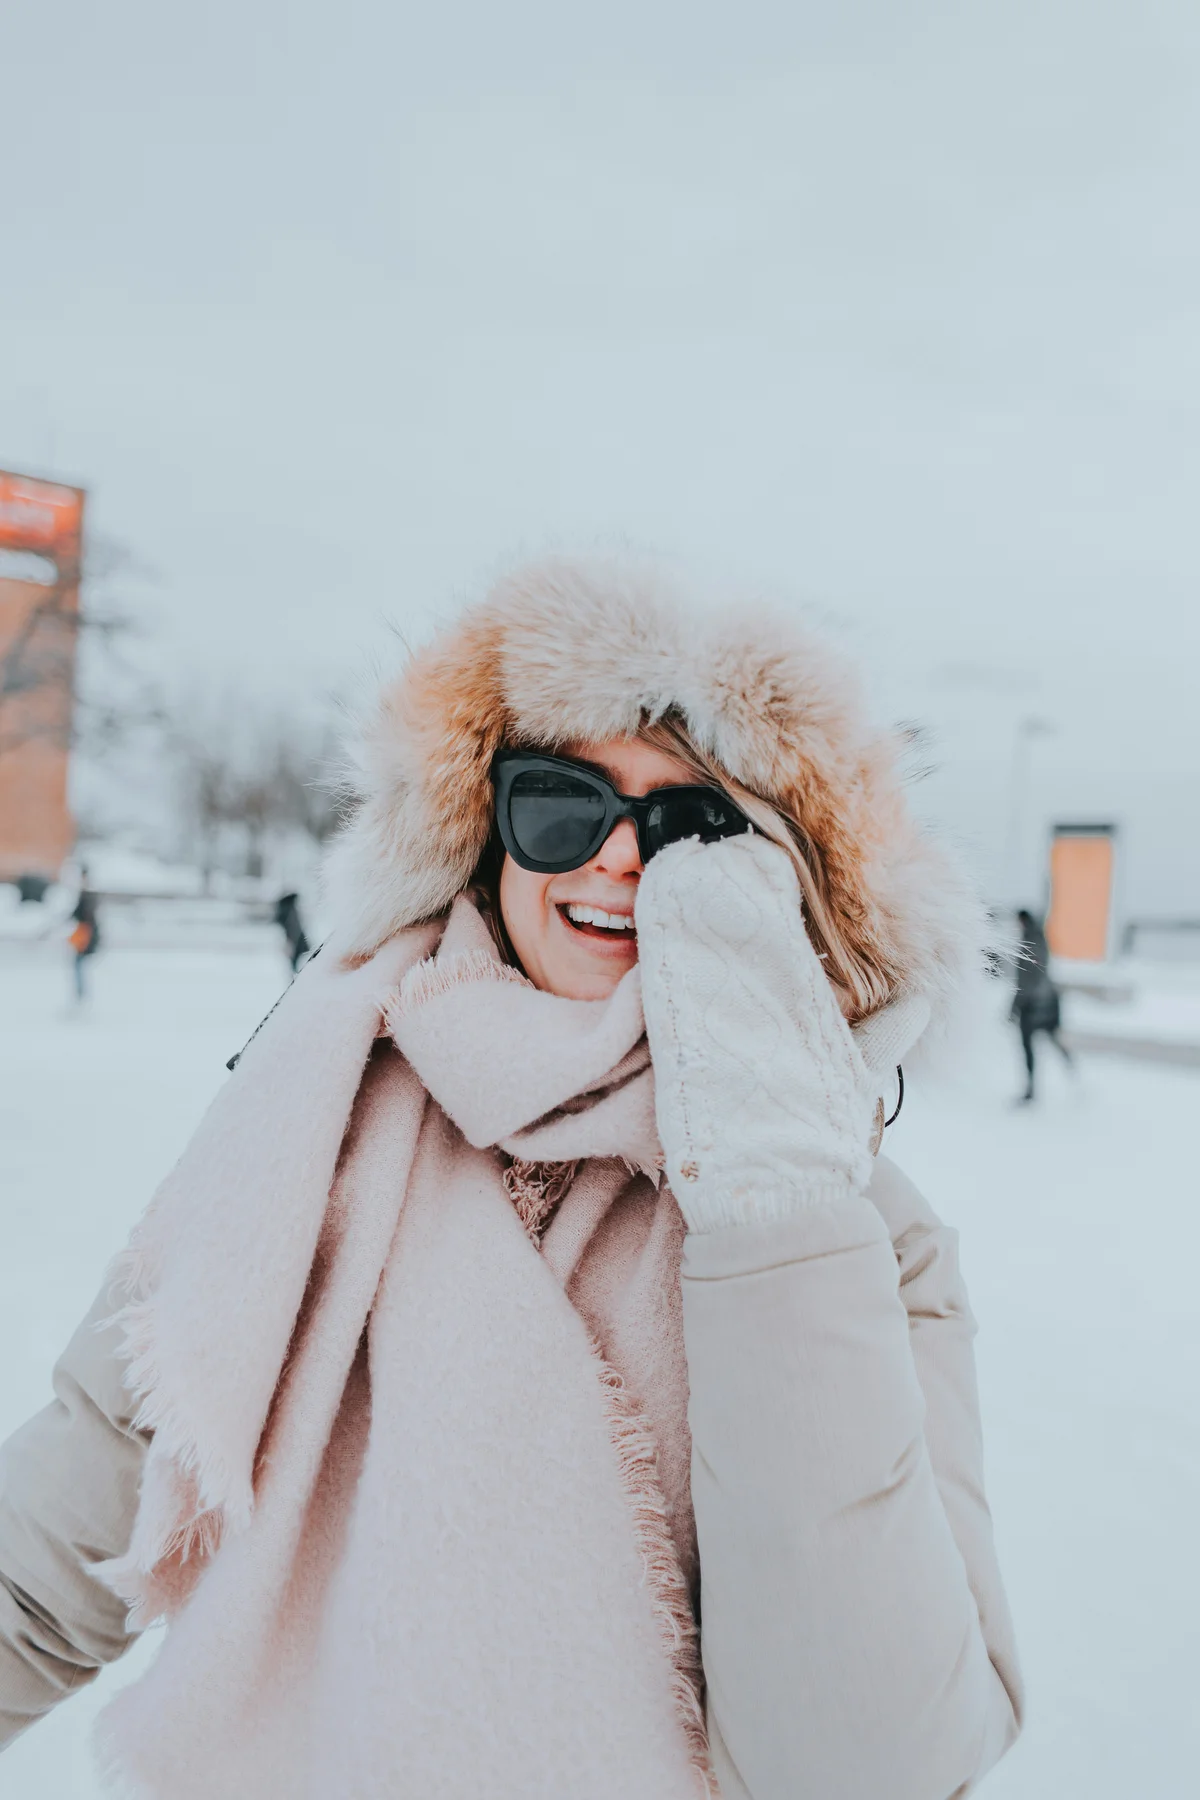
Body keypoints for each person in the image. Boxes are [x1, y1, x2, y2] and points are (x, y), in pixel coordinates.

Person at [0, 559, 1023, 1799]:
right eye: (558, 805)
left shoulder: (861, 1239)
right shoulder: (304, 1126)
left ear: (781, 884)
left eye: (695, 829)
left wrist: (772, 1197)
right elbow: (50, 1567)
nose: (616, 862)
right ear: (485, 837)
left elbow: (866, 1765)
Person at [1012, 907, 1073, 1103]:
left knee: (1028, 1046)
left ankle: (1031, 1089)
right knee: (1051, 1037)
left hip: (1035, 1004)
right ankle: (1069, 1067)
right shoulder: (1038, 937)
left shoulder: (1032, 941)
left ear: (1022, 921)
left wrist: (1015, 1005)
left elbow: (1029, 979)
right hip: (1047, 1002)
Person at [67, 866, 101, 1003]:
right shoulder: (86, 893)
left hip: (86, 934)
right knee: (78, 965)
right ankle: (80, 995)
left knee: (78, 964)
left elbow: (85, 916)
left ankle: (81, 996)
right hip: (85, 933)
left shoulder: (88, 894)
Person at [272, 890, 311, 972]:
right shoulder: (289, 909)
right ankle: (298, 977)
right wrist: (291, 942)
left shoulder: (284, 909)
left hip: (293, 939)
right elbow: (293, 926)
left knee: (297, 961)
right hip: (295, 939)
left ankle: (297, 976)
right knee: (298, 961)